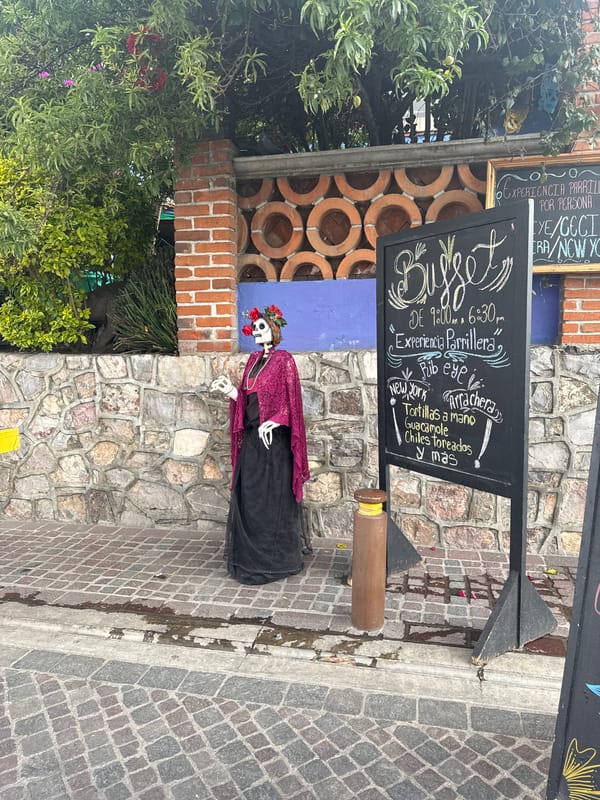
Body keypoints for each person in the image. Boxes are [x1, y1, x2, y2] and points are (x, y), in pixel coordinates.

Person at [211, 305, 311, 584]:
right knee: (251, 497)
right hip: (253, 441)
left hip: (275, 445)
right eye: (255, 328)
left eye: (262, 327)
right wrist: (230, 390)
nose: (256, 332)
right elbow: (247, 400)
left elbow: (292, 404)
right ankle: (251, 556)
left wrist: (275, 421)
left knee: (273, 499)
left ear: (275, 330)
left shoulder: (284, 361)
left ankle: (276, 558)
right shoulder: (253, 360)